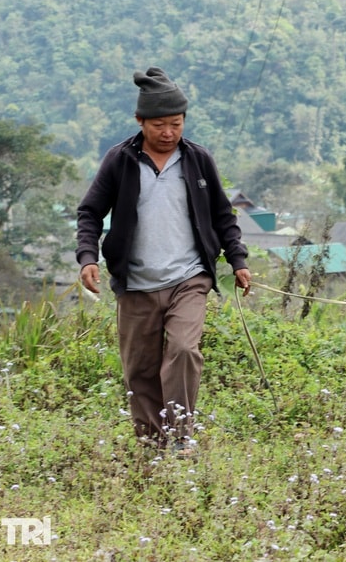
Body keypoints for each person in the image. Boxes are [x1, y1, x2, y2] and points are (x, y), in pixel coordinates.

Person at [76, 67, 251, 457]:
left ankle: (181, 437)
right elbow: (89, 213)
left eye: (176, 123)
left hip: (189, 278)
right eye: (159, 125)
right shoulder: (120, 161)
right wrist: (87, 257)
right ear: (140, 122)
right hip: (136, 284)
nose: (169, 132)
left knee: (184, 351)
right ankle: (153, 450)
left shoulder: (197, 161)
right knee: (140, 372)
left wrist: (237, 260)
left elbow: (224, 216)